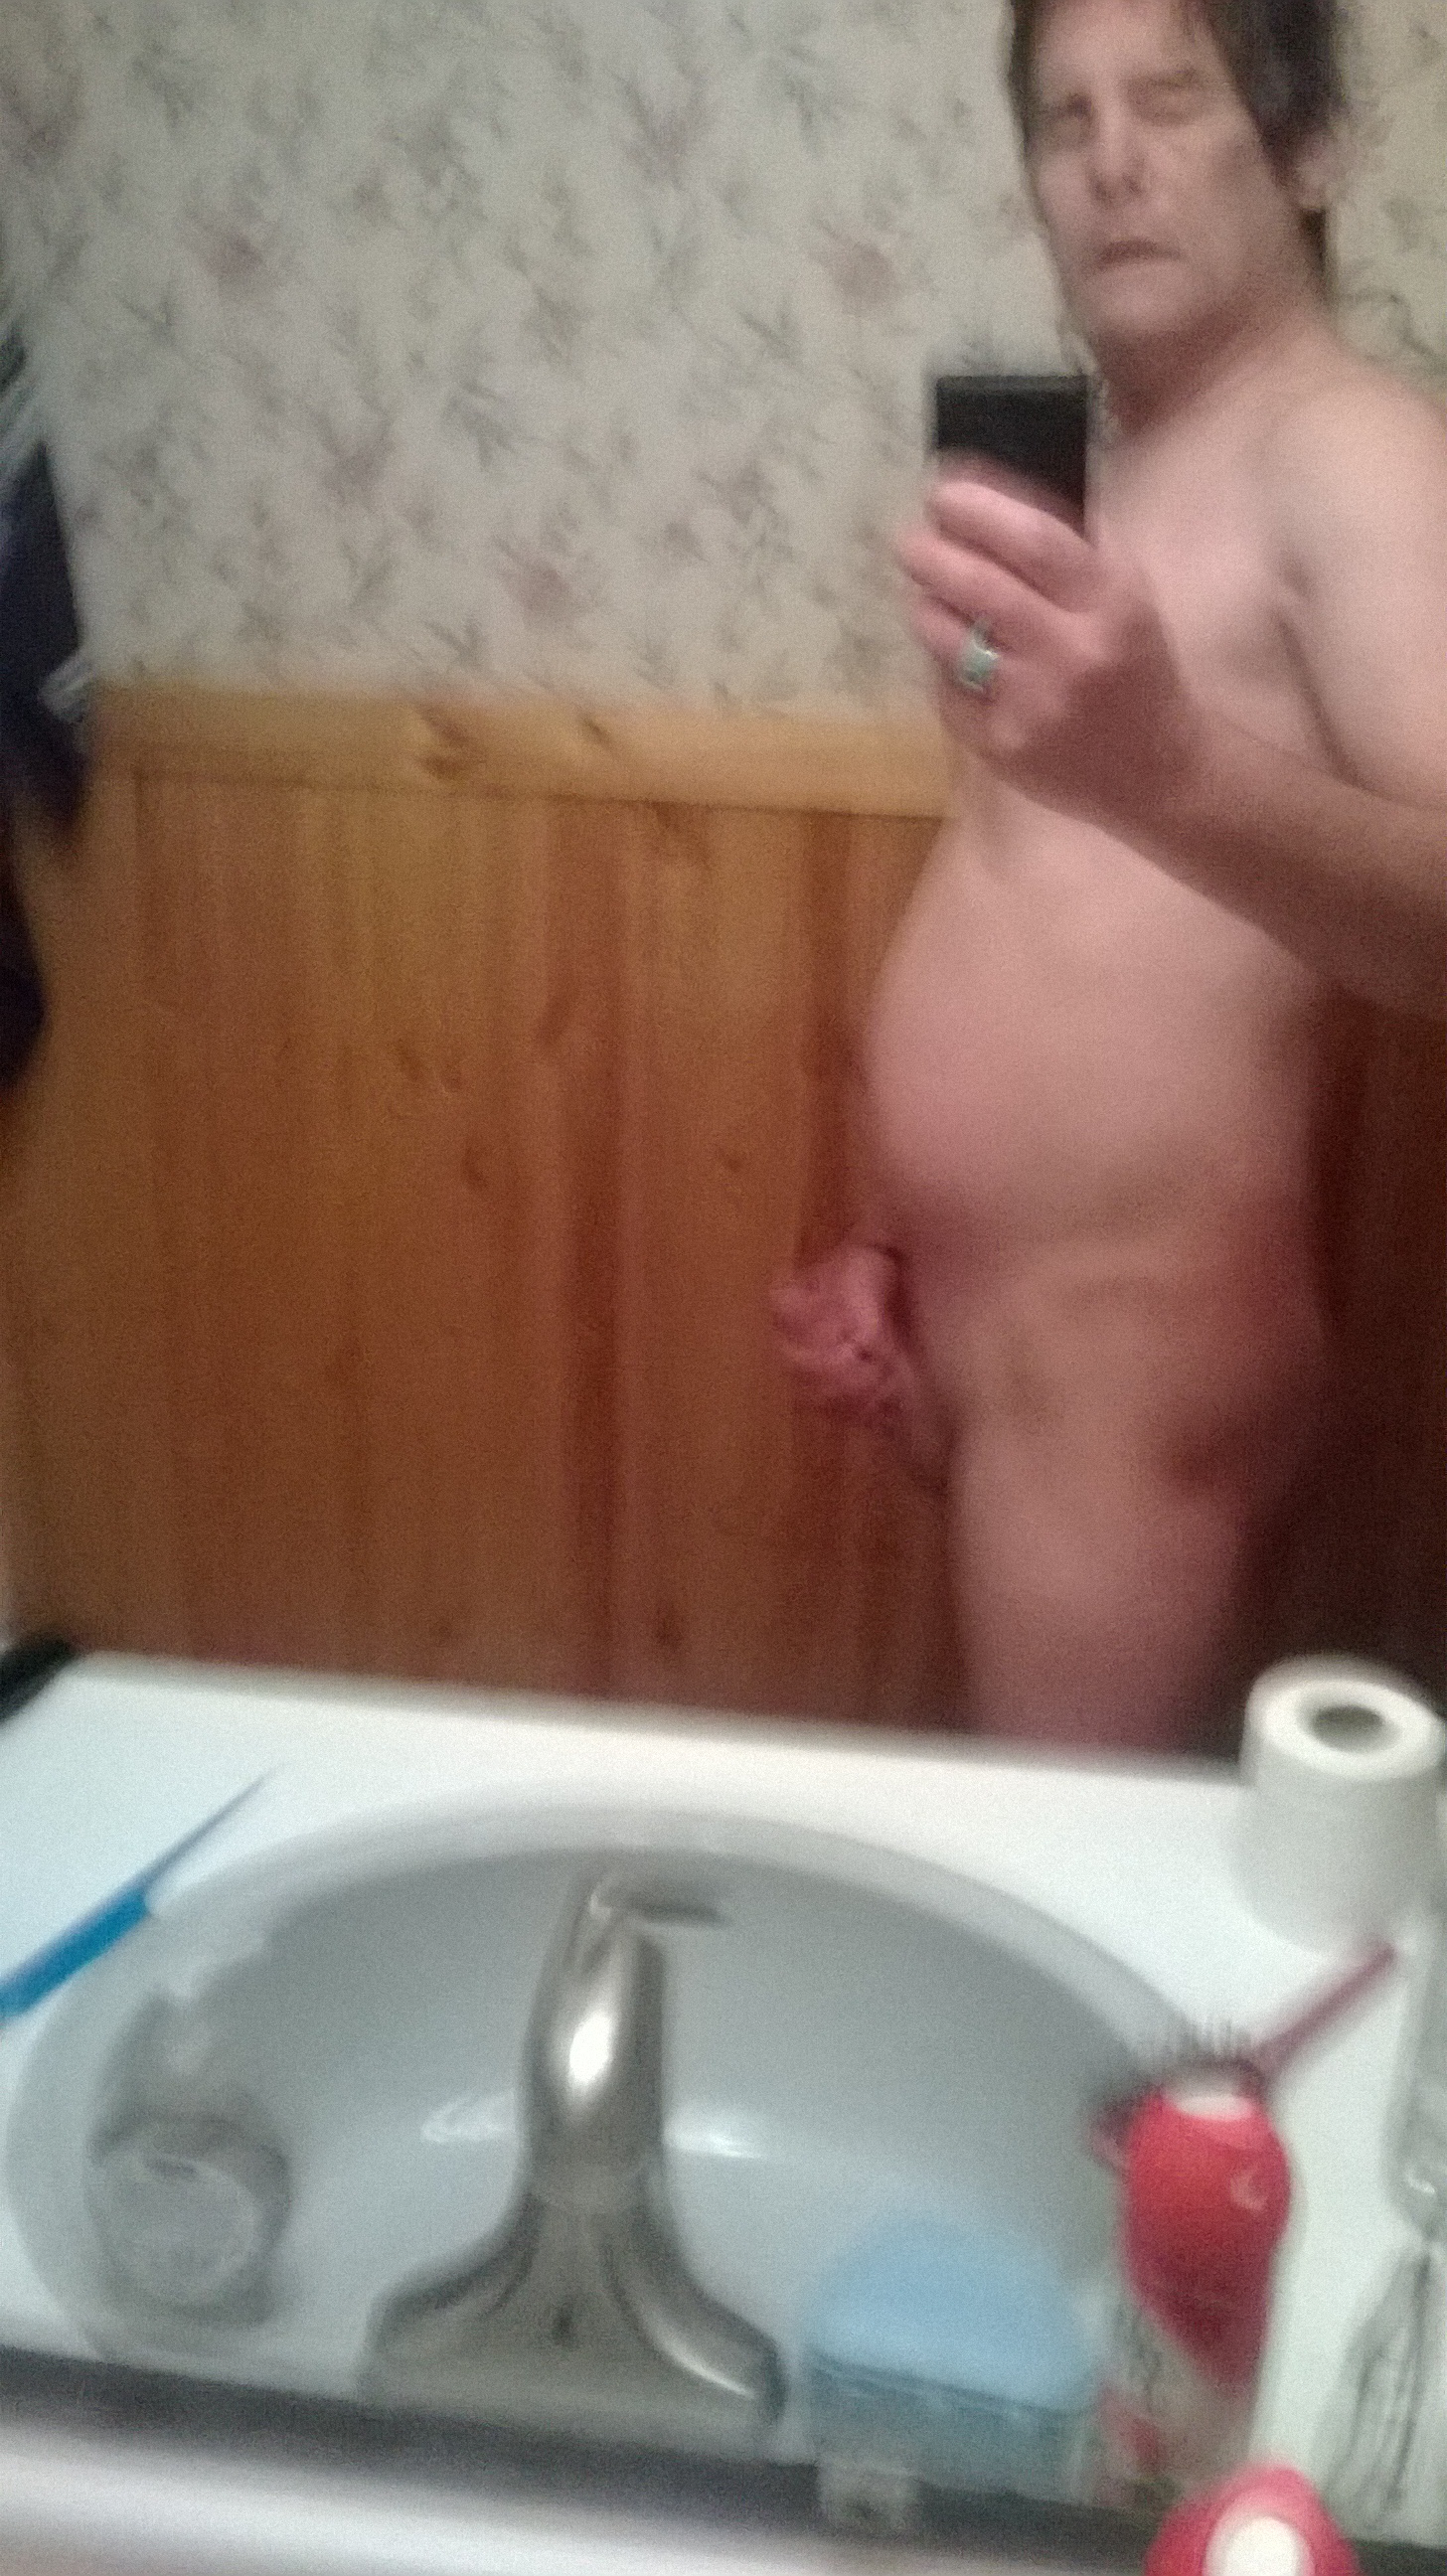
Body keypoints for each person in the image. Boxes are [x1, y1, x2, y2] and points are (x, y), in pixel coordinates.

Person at [772, 0, 1447, 1750]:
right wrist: (904, 1242)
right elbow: (1040, 891)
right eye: (1065, 122)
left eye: (1170, 102)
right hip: (1002, 1335)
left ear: (1308, 152)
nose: (1113, 164)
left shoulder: (1348, 453)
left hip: (1131, 1355)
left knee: (1059, 1885)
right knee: (1037, 1859)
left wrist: (1169, 766)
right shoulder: (1112, 474)